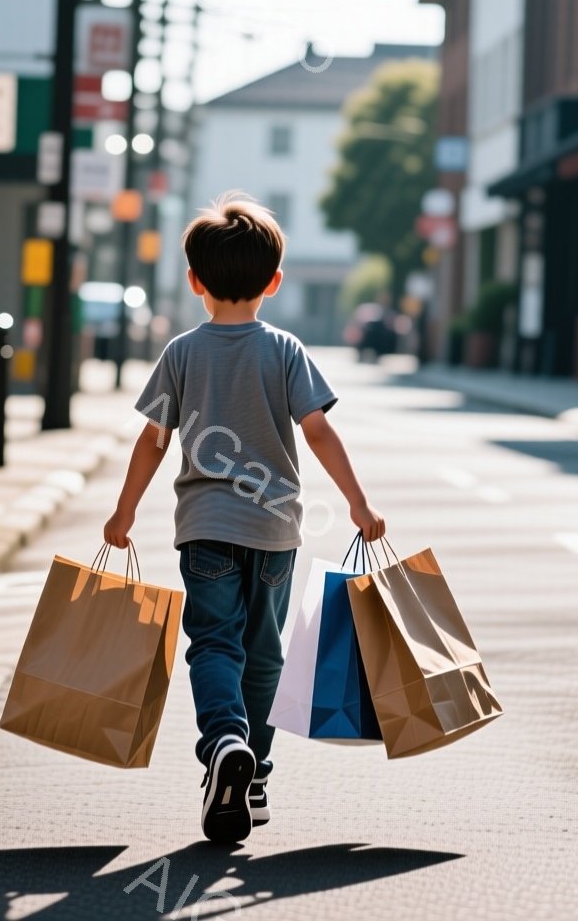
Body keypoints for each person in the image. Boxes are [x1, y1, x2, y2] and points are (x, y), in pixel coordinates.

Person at [103, 192, 386, 844]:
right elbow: (318, 431)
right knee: (264, 654)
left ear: (195, 281)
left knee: (214, 644)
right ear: (275, 281)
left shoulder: (182, 353)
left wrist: (124, 511)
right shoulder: (285, 349)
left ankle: (225, 741)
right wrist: (358, 501)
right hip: (275, 532)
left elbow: (153, 441)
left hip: (205, 528)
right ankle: (253, 773)